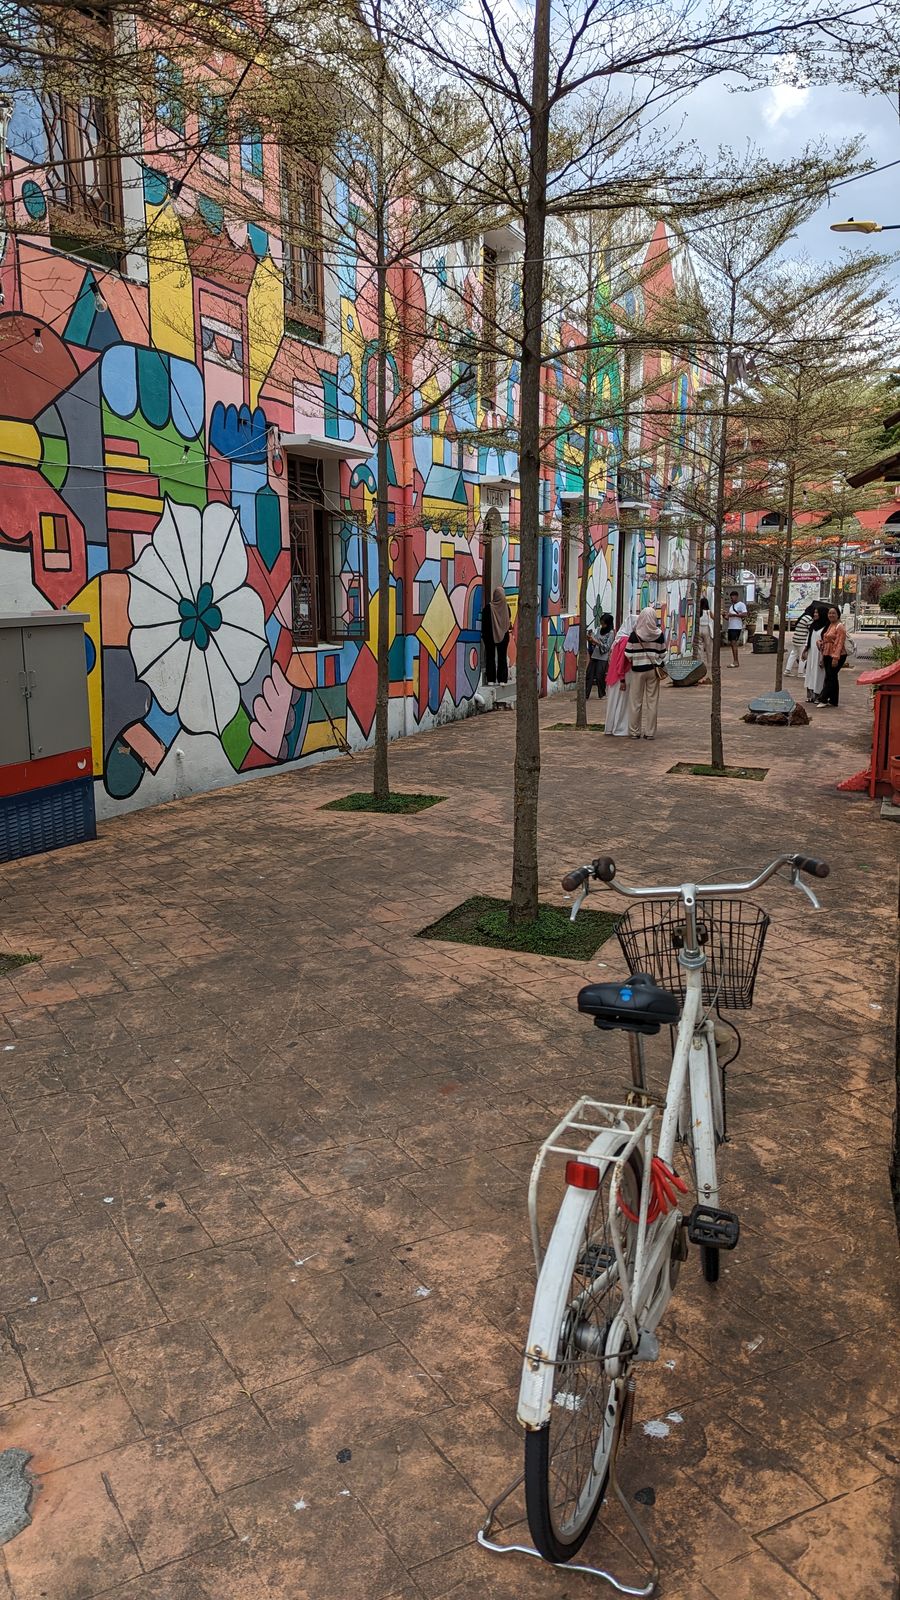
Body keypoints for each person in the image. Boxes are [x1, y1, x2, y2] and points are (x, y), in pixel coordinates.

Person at [625, 604, 667, 739]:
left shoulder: (634, 635)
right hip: (653, 671)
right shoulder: (659, 634)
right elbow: (663, 654)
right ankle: (650, 732)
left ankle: (634, 732)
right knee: (652, 702)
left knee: (635, 702)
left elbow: (628, 654)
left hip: (637, 671)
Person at [604, 613, 637, 736]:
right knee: (621, 702)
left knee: (614, 702)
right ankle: (619, 728)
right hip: (621, 676)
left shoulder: (619, 639)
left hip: (615, 676)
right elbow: (621, 662)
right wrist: (622, 679)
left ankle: (611, 727)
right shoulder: (625, 641)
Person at [818, 605, 848, 707]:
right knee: (832, 677)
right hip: (827, 653)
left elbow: (839, 643)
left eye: (833, 613)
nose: (831, 615)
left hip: (837, 654)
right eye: (830, 613)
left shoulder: (840, 627)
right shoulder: (830, 625)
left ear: (838, 615)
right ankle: (833, 700)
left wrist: (835, 658)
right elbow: (827, 638)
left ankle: (823, 698)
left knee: (830, 677)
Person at [482, 585, 511, 684]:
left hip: (490, 636)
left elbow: (484, 623)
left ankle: (491, 679)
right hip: (504, 635)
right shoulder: (506, 607)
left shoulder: (488, 608)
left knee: (490, 656)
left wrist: (485, 635)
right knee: (502, 657)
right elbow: (508, 619)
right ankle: (502, 679)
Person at [802, 601, 829, 704]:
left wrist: (823, 657)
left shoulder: (826, 627)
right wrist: (805, 650)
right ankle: (810, 695)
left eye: (817, 612)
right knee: (810, 673)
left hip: (820, 654)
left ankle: (819, 695)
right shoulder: (813, 625)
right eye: (815, 612)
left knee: (819, 675)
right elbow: (808, 638)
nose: (815, 614)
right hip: (811, 653)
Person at [586, 613, 614, 699]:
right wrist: (590, 639)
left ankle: (602, 694)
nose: (602, 625)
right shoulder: (598, 630)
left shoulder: (611, 633)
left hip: (603, 656)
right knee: (589, 674)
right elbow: (595, 640)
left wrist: (597, 642)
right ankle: (585, 694)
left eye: (603, 623)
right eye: (601, 623)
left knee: (599, 675)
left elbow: (607, 647)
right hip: (595, 654)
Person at [786, 604, 815, 677]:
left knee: (793, 654)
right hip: (802, 640)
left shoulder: (803, 617)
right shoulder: (809, 618)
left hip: (796, 639)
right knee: (803, 656)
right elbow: (811, 629)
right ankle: (800, 673)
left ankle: (787, 670)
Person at [725, 589, 747, 667]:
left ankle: (736, 661)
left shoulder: (741, 604)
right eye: (731, 597)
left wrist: (734, 615)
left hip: (736, 627)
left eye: (733, 597)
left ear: (736, 597)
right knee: (732, 643)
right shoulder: (731, 606)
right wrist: (724, 615)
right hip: (731, 626)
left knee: (734, 643)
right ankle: (735, 660)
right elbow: (728, 618)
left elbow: (745, 614)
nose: (732, 599)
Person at [698, 596, 714, 677]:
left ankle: (701, 662)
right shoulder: (708, 612)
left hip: (699, 629)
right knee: (709, 647)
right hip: (707, 629)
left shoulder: (698, 612)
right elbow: (714, 618)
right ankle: (710, 662)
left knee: (700, 647)